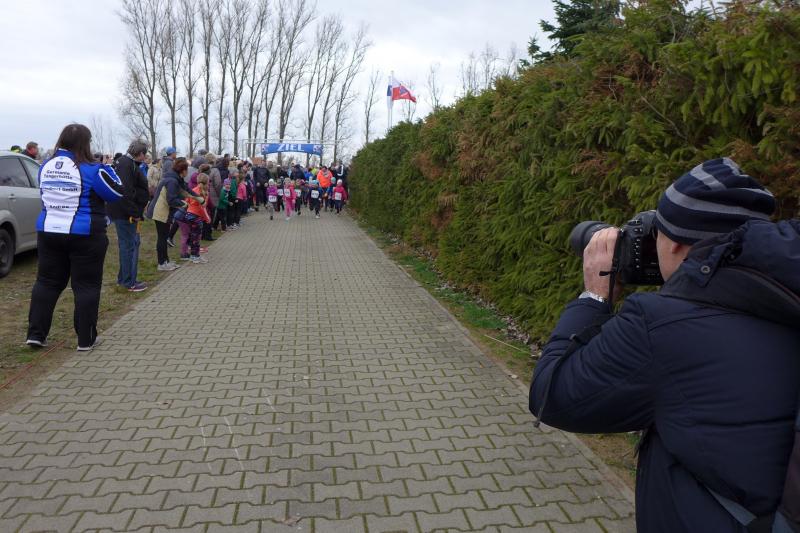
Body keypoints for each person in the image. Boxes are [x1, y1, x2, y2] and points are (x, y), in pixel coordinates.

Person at [529, 159, 800, 532]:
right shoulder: (785, 294)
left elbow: (553, 397)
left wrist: (594, 295)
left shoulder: (660, 325)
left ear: (674, 244)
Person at [26, 123, 125, 351]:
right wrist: (107, 166)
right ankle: (85, 339)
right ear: (85, 144)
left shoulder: (45, 166)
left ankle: (36, 334)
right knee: (86, 285)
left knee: (46, 282)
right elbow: (117, 192)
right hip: (85, 233)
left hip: (49, 231)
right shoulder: (93, 169)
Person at [107, 140, 150, 292]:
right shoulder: (127, 165)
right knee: (129, 247)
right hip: (126, 214)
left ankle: (124, 278)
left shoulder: (126, 163)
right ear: (141, 154)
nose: (145, 158)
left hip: (124, 211)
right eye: (145, 155)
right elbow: (125, 192)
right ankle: (128, 282)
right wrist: (134, 213)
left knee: (128, 245)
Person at [145, 157, 191, 271]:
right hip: (160, 211)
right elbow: (171, 199)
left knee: (164, 237)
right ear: (183, 170)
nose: (187, 171)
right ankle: (162, 263)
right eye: (187, 169)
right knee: (162, 237)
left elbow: (184, 190)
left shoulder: (175, 179)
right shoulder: (172, 181)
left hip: (163, 211)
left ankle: (166, 261)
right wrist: (184, 203)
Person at [182, 173, 211, 264]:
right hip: (196, 217)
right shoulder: (204, 193)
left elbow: (186, 201)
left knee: (192, 236)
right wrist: (207, 218)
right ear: (207, 182)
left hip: (189, 215)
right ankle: (195, 256)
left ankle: (192, 255)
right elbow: (203, 208)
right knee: (197, 237)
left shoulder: (193, 190)